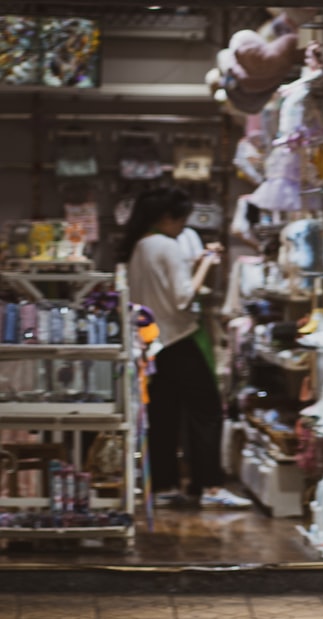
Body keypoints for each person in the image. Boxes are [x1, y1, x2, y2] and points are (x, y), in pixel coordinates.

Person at [119, 186, 252, 509]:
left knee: (163, 415)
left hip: (152, 344)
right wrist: (207, 261)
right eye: (181, 220)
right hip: (179, 338)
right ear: (167, 217)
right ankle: (209, 485)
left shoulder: (138, 247)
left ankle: (164, 485)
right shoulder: (167, 246)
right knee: (206, 411)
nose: (183, 227)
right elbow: (183, 297)